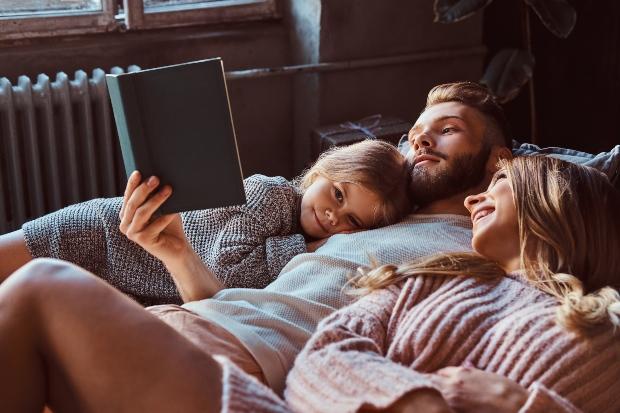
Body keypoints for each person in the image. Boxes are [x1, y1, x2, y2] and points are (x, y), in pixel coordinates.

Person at [0, 81, 523, 411]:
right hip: (195, 316)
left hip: (236, 357)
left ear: (499, 161)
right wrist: (177, 253)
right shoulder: (376, 222)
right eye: (414, 135)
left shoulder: (487, 240)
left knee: (40, 286)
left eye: (448, 130)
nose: (420, 143)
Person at [273, 156, 620, 413]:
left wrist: (523, 407)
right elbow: (321, 356)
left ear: (553, 200)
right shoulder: (433, 276)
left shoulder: (606, 329)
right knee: (218, 372)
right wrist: (419, 402)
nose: (471, 201)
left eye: (501, 182)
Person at [0, 139, 410, 304]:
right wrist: (306, 248)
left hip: (132, 284)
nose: (332, 216)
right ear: (321, 171)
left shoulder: (304, 235)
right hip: (99, 234)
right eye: (337, 195)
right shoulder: (270, 194)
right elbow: (228, 272)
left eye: (351, 220)